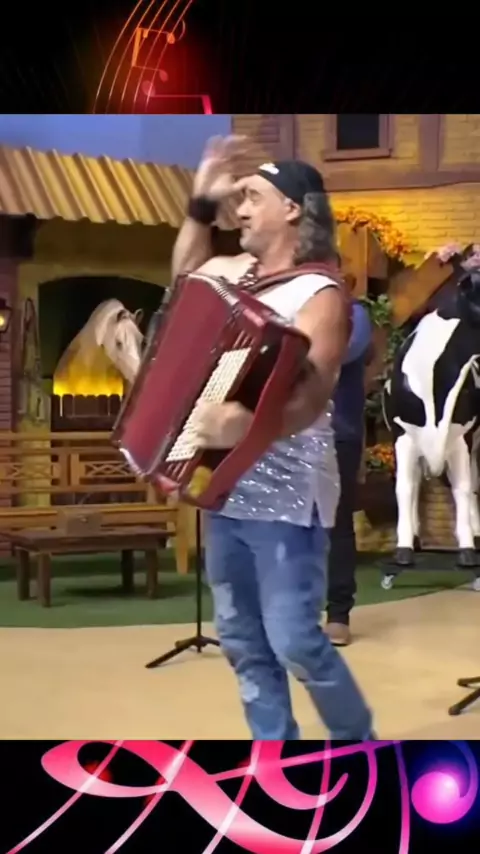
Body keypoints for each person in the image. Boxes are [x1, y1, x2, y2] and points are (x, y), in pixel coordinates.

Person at [172, 135, 374, 740]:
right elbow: (184, 281)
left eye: (251, 197)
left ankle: (358, 743)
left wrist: (247, 425)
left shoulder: (322, 295)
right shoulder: (235, 273)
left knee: (294, 640)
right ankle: (276, 753)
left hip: (288, 493)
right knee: (240, 638)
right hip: (226, 484)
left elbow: (310, 395)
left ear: (291, 208)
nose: (240, 210)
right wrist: (200, 204)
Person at [326, 298, 372, 647]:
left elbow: (339, 353)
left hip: (338, 433)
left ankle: (338, 614)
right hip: (289, 434)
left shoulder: (355, 314)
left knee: (338, 523)